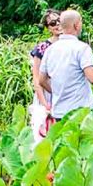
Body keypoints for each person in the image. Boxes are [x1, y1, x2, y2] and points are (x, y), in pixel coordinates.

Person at [35, 9, 93, 133]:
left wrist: (57, 91)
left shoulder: (50, 50)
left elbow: (41, 80)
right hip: (81, 112)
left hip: (59, 113)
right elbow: (92, 78)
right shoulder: (82, 48)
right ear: (77, 25)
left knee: (64, 148)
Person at [28, 9, 62, 140]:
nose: (58, 25)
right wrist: (44, 104)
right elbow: (37, 79)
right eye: (53, 23)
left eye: (60, 21)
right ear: (48, 28)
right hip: (46, 93)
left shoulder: (71, 44)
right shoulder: (42, 48)